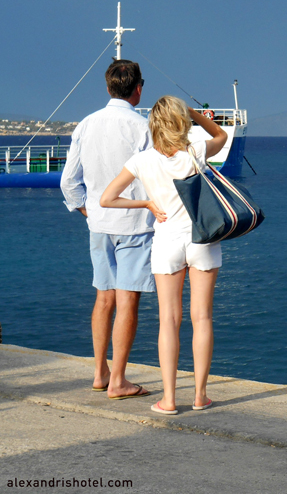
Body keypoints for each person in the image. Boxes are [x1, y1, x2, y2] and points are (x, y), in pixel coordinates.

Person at [100, 96, 227, 415]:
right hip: (202, 239)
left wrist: (145, 203)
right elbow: (221, 136)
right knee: (202, 318)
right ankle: (200, 396)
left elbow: (107, 199)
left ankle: (169, 400)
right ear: (181, 122)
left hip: (166, 242)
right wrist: (195, 113)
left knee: (168, 320)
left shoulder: (141, 161)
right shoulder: (196, 152)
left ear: (153, 125)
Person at [61, 59, 154, 400]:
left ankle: (100, 373)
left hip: (99, 224)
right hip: (135, 224)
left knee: (104, 298)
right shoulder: (142, 127)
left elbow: (68, 182)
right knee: (128, 300)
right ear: (138, 89)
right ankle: (118, 380)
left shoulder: (86, 124)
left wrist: (90, 213)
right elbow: (154, 178)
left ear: (107, 86)